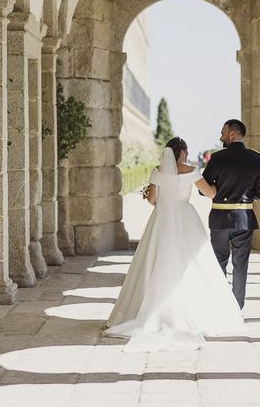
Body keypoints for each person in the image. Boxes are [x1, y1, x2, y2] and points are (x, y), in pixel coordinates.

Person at [104, 137, 246, 352]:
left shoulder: (158, 171)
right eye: (186, 151)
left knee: (154, 260)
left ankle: (144, 312)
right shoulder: (191, 171)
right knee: (193, 262)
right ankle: (197, 311)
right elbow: (210, 193)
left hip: (161, 220)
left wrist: (158, 197)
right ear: (183, 152)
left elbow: (152, 199)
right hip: (185, 217)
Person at [202, 119, 260, 309]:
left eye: (223, 132)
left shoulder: (217, 158)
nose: (221, 137)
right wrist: (248, 194)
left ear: (232, 134)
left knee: (219, 261)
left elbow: (203, 189)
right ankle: (236, 307)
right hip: (244, 218)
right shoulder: (257, 159)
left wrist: (219, 189)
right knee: (241, 265)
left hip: (220, 218)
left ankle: (219, 305)